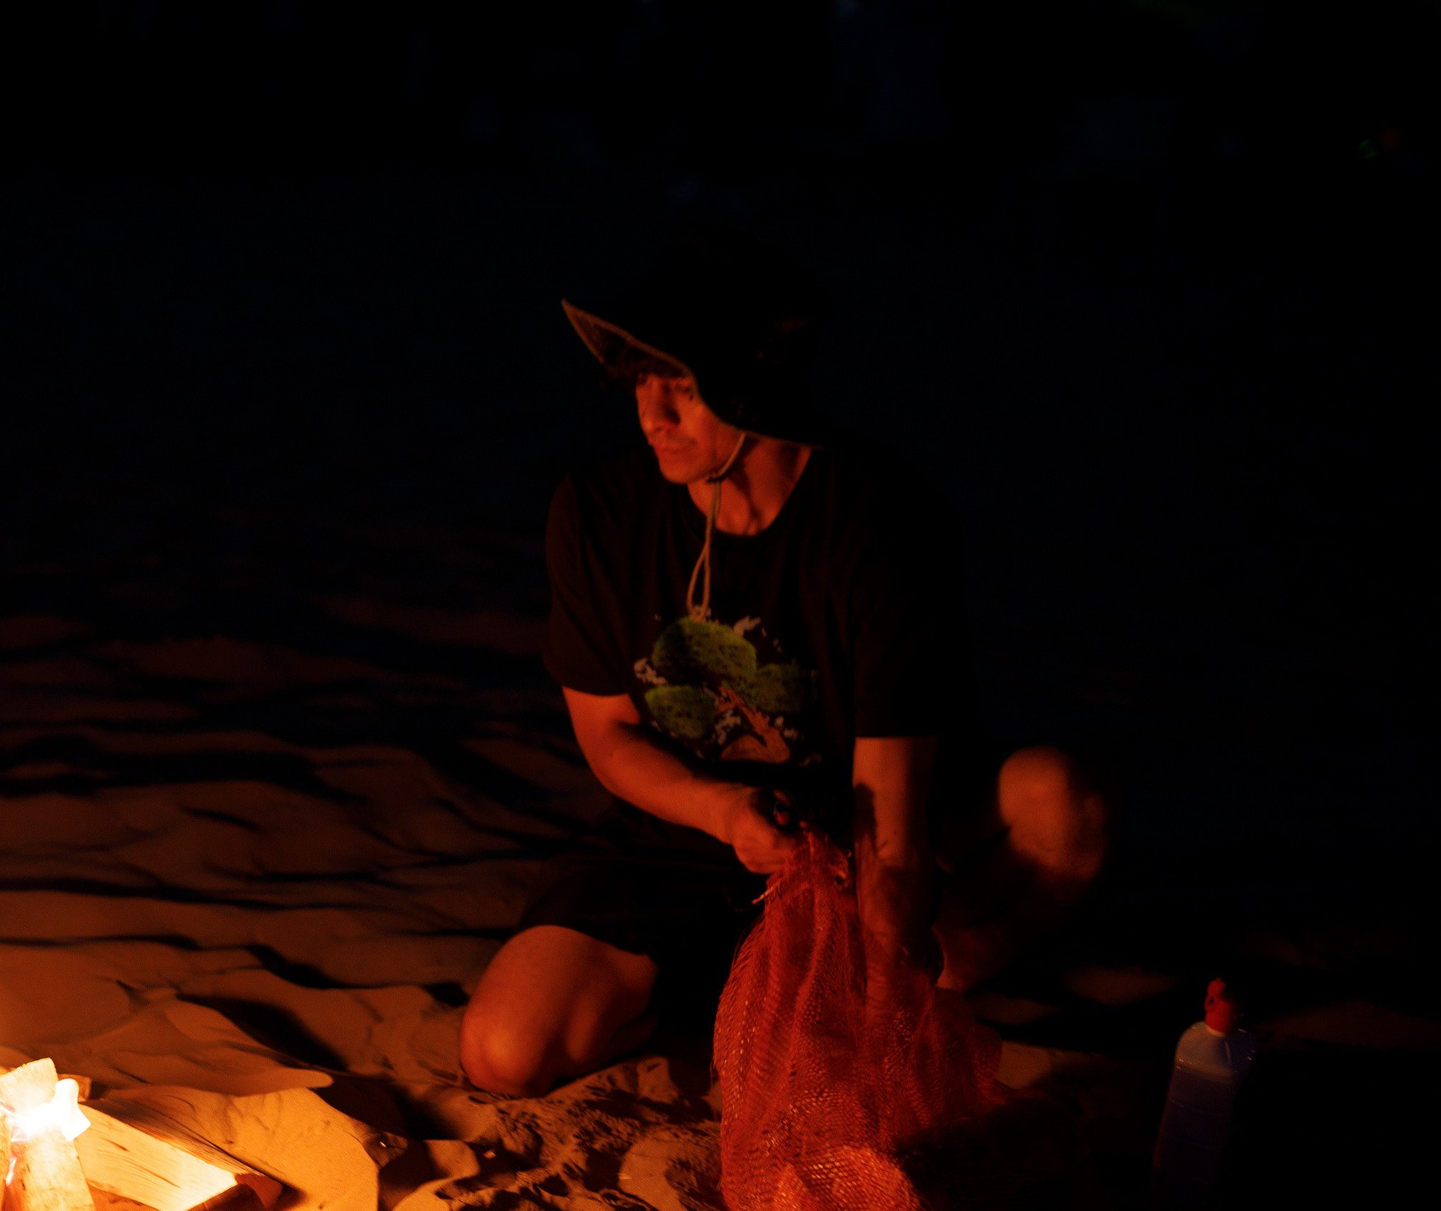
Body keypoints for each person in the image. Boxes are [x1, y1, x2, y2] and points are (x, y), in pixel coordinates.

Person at [461, 233, 1107, 1098]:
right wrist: (722, 809)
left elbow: (896, 824)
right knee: (504, 1054)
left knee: (1063, 804)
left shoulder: (880, 522)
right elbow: (607, 734)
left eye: (682, 388)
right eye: (640, 384)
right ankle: (734, 994)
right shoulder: (599, 512)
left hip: (852, 828)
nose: (653, 416)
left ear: (750, 388)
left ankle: (904, 989)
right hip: (687, 832)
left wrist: (883, 1026)